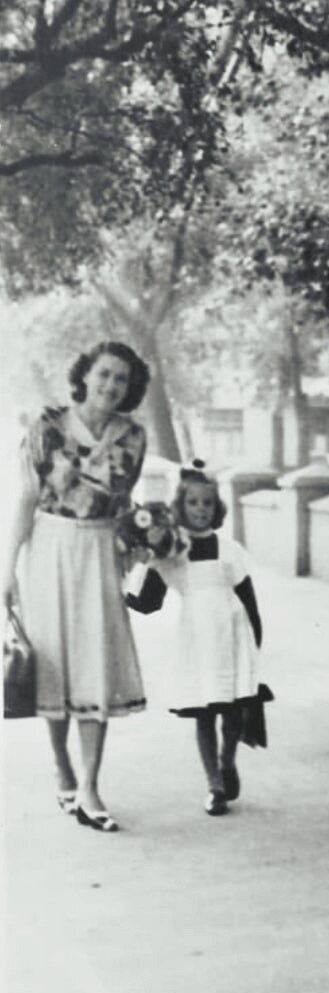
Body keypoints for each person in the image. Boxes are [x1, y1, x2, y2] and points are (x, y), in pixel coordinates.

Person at [1, 341, 151, 832]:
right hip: (49, 549)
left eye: (121, 379)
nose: (111, 386)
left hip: (101, 552)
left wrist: (142, 540)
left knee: (95, 664)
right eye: (104, 374)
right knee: (54, 664)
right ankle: (62, 766)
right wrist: (6, 570)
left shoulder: (134, 437)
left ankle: (89, 787)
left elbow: (125, 504)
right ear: (85, 375)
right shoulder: (47, 427)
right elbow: (26, 498)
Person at [126, 463, 263, 816]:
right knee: (204, 713)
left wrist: (256, 642)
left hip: (233, 638)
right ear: (180, 507)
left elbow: (248, 599)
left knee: (233, 711)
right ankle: (214, 786)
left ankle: (227, 760)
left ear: (216, 508)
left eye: (207, 503)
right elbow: (149, 603)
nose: (200, 509)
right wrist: (125, 587)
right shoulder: (173, 552)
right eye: (193, 503)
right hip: (198, 642)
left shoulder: (229, 549)